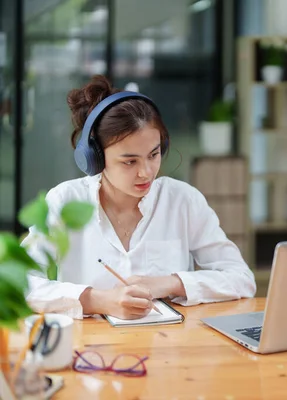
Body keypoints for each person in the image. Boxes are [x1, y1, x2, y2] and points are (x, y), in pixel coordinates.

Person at [22, 75, 256, 320]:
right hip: (91, 351)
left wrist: (170, 283)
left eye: (153, 155)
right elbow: (21, 283)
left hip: (169, 350)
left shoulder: (183, 200)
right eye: (130, 161)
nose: (146, 172)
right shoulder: (65, 201)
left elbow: (241, 279)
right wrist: (98, 300)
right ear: (96, 159)